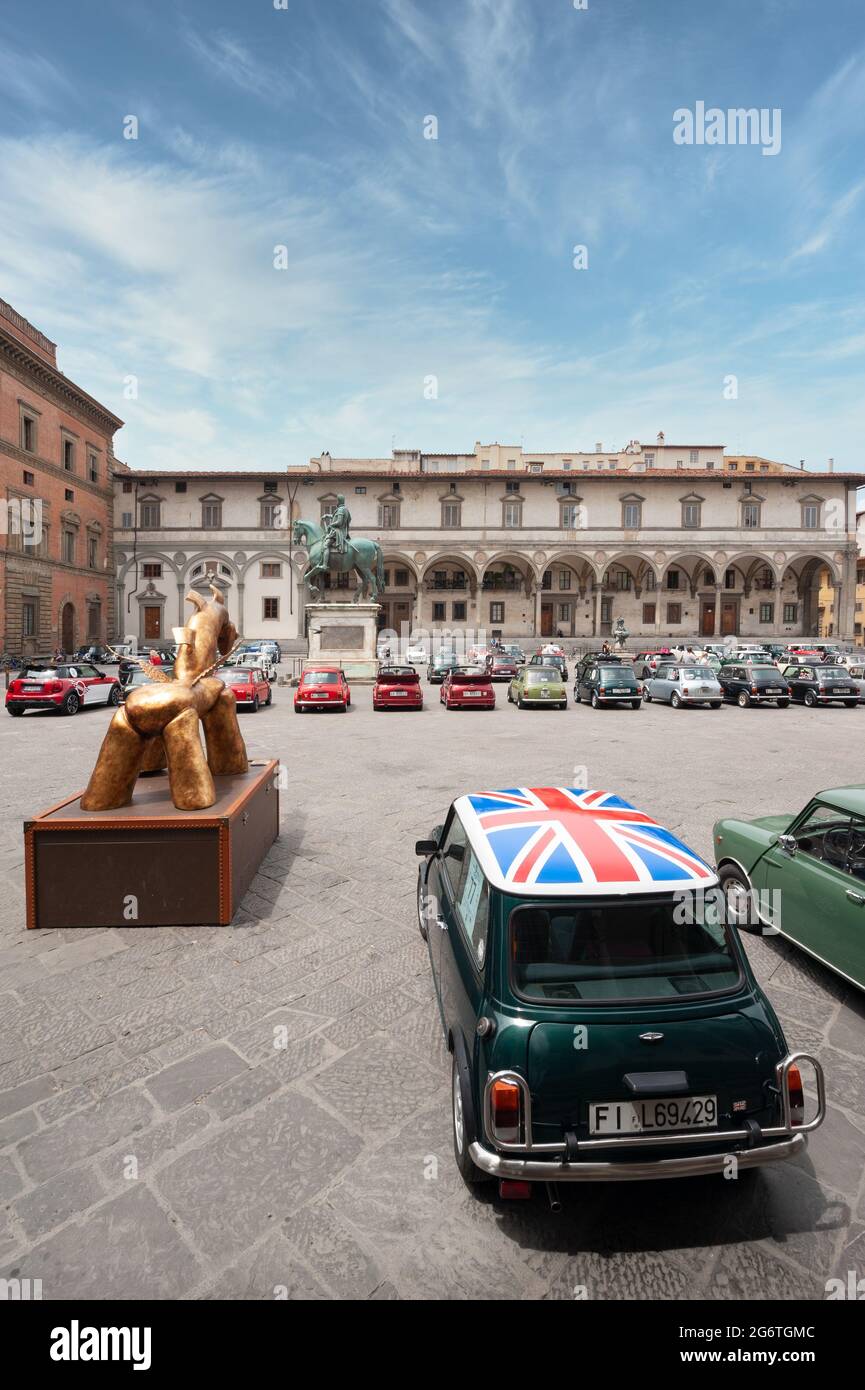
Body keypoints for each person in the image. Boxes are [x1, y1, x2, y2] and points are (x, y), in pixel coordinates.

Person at [322, 494, 352, 569]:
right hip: (341, 530)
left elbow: (339, 521)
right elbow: (338, 517)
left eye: (337, 500)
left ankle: (325, 565)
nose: (336, 502)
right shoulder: (345, 509)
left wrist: (330, 525)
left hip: (338, 532)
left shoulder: (341, 509)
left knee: (325, 545)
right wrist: (328, 515)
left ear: (339, 501)